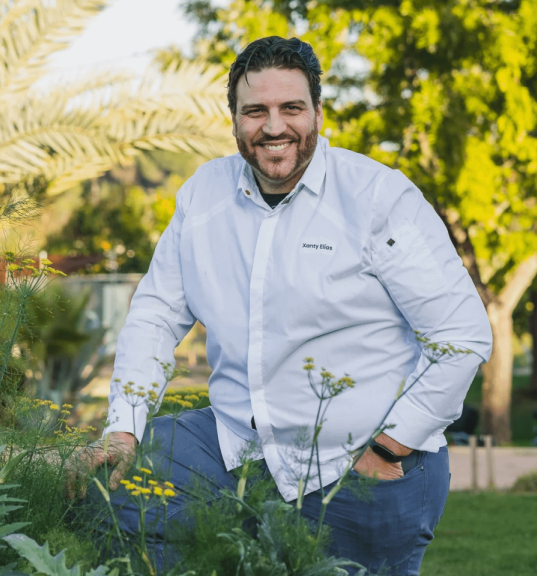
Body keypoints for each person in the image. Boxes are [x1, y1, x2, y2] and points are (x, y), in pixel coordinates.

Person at [67, 36, 493, 575]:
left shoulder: (378, 199)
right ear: (234, 119)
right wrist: (123, 427)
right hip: (236, 449)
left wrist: (388, 447)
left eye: (291, 108)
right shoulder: (204, 195)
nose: (273, 127)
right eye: (255, 111)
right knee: (117, 492)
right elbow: (154, 313)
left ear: (317, 111)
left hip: (364, 465)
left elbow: (463, 337)